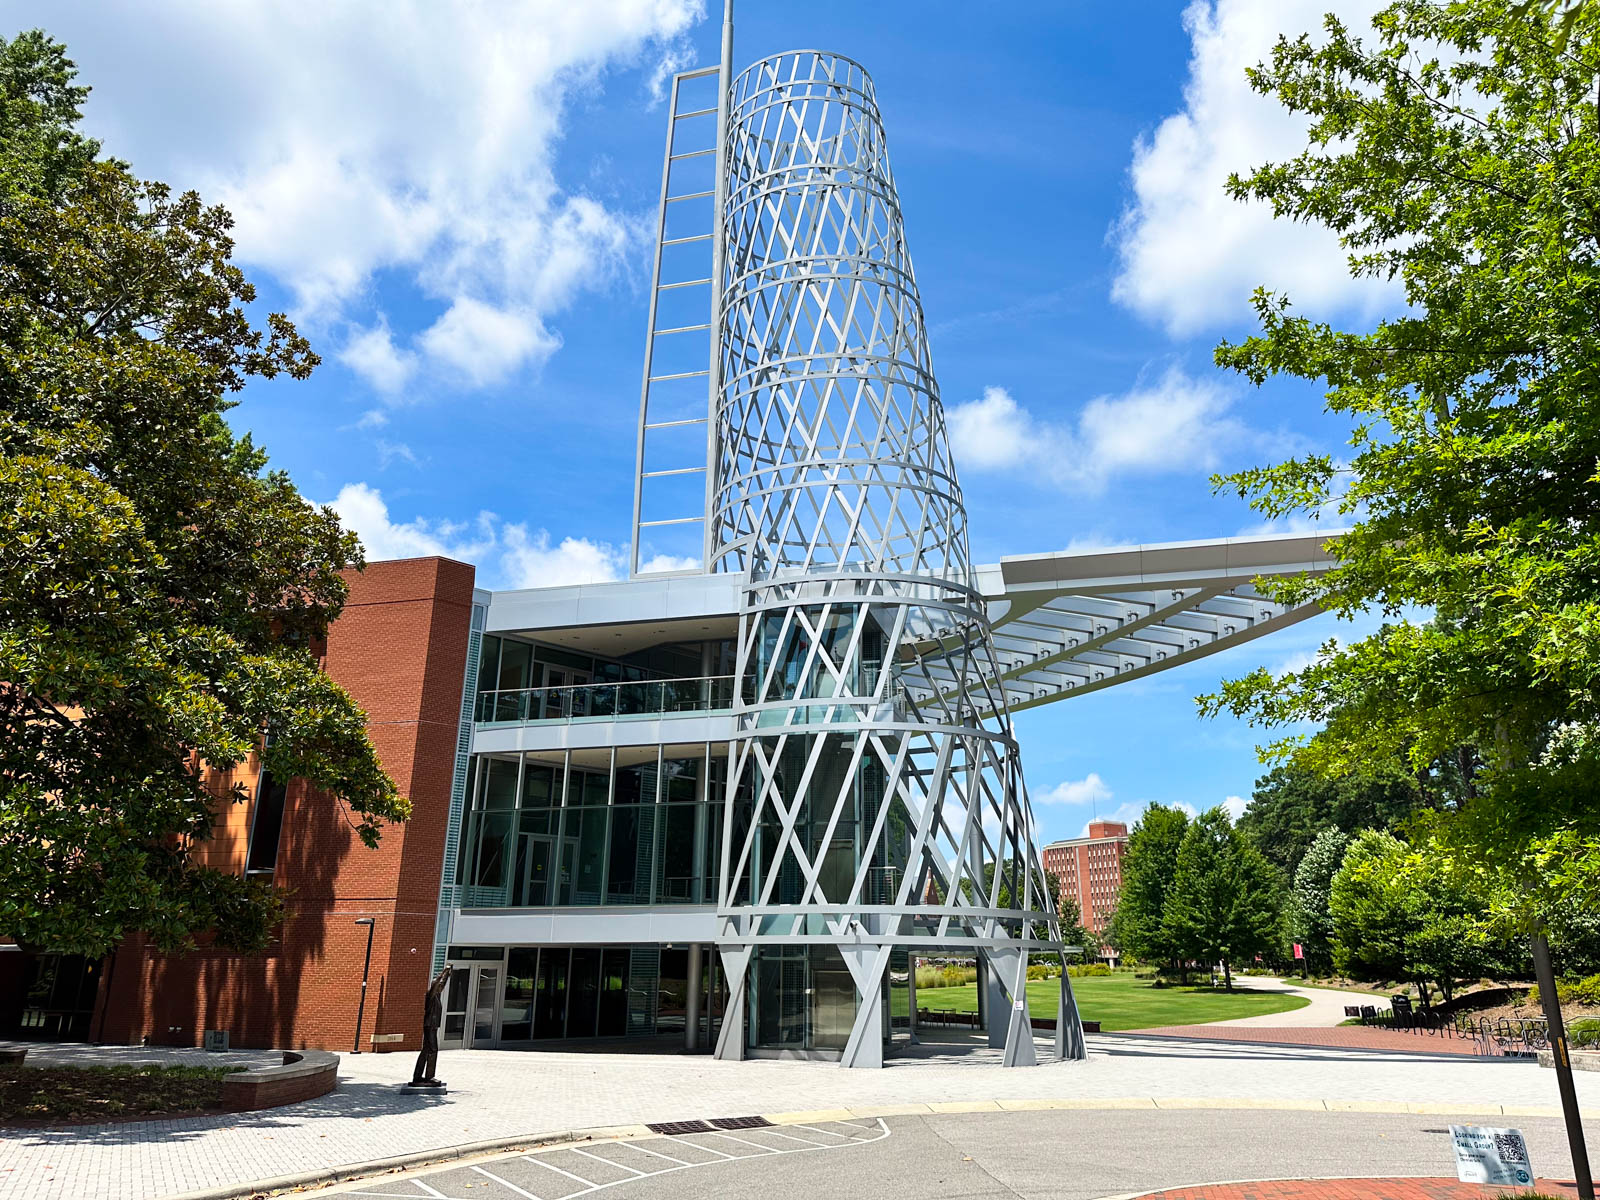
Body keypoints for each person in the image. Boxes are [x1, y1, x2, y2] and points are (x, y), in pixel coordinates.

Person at [409, 965, 452, 1088]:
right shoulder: (431, 995)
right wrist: (444, 971)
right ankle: (429, 1077)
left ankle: (417, 1076)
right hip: (430, 1025)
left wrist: (448, 975)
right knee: (433, 1050)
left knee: (426, 1050)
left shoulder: (437, 996)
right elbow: (436, 983)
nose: (440, 987)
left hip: (432, 1025)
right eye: (438, 986)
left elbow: (441, 984)